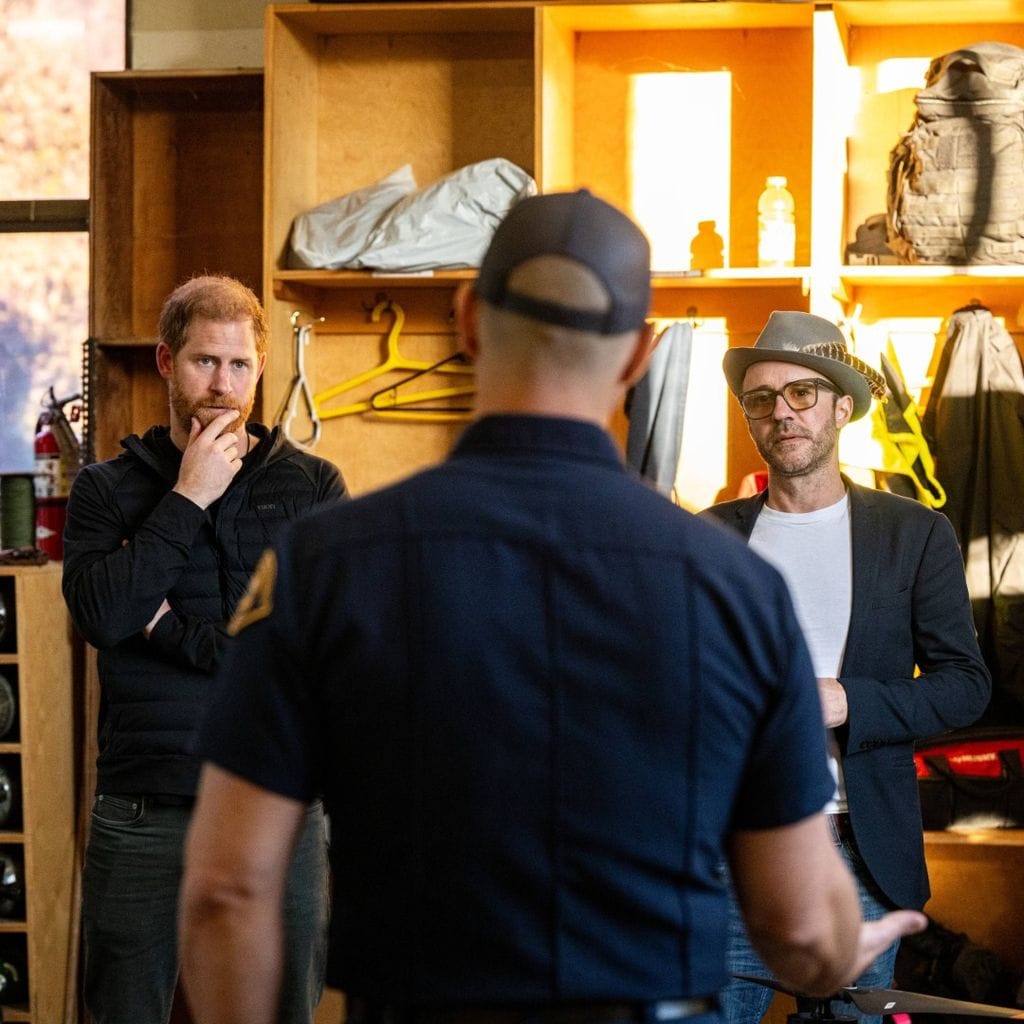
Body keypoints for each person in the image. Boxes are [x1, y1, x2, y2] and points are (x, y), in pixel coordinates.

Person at [177, 192, 925, 1024]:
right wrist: (842, 948)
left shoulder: (324, 565)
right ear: (638, 355)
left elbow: (224, 892)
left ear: (468, 319)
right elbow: (799, 932)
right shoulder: (735, 589)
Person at [63, 274, 347, 1024]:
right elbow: (100, 614)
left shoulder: (315, 488)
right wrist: (187, 496)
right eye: (203, 363)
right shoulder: (105, 490)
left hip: (278, 805)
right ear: (165, 361)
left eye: (239, 365)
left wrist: (163, 630)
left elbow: (314, 655)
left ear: (259, 370)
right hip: (143, 805)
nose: (223, 386)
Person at [700, 311, 991, 1024]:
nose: (782, 413)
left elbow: (966, 686)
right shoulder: (709, 536)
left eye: (801, 393)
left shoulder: (915, 532)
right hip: (731, 848)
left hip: (860, 850)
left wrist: (847, 702)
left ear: (842, 405)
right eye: (761, 399)